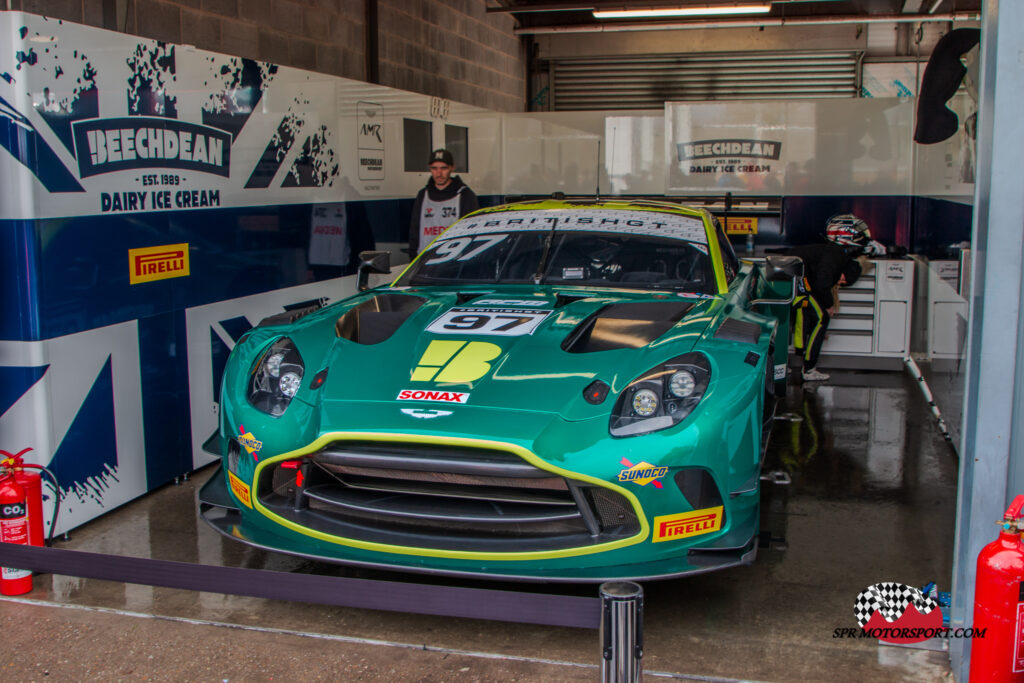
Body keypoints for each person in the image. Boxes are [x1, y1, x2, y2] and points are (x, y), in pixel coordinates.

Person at [784, 241, 865, 382]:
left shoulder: (834, 254)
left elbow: (818, 284)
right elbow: (821, 284)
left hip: (791, 276)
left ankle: (781, 366)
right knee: (822, 318)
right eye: (843, 281)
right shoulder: (836, 257)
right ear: (846, 272)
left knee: (788, 318)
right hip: (797, 278)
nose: (839, 283)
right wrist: (829, 305)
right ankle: (809, 369)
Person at [408, 149, 479, 258]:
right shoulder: (423, 195)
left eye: (443, 168)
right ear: (429, 168)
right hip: (424, 261)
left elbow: (474, 232)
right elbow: (414, 231)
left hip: (454, 261)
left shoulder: (465, 195)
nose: (439, 173)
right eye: (434, 168)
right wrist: (413, 258)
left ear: (452, 168)